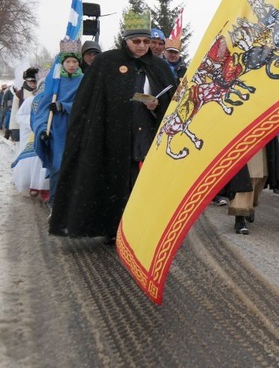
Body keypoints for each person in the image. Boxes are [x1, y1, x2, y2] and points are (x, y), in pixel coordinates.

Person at [49, 28, 176, 243]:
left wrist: (157, 104)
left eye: (146, 41)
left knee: (142, 183)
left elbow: (172, 102)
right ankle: (112, 227)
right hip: (111, 135)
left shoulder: (159, 67)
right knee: (114, 181)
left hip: (146, 134)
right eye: (137, 41)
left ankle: (140, 229)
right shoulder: (107, 62)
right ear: (126, 41)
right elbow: (88, 100)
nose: (142, 45)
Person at [33, 41, 85, 210]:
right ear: (62, 63)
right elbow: (42, 109)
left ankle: (73, 203)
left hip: (77, 128)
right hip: (57, 129)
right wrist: (42, 130)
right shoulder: (54, 81)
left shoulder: (84, 80)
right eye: (68, 61)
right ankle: (55, 202)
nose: (71, 65)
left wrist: (65, 106)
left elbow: (86, 103)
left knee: (76, 168)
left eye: (75, 62)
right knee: (57, 166)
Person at [9, 68, 38, 143]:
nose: (33, 84)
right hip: (24, 128)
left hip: (38, 127)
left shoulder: (41, 92)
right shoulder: (19, 94)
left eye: (35, 82)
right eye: (30, 82)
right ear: (26, 81)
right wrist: (15, 128)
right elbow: (15, 113)